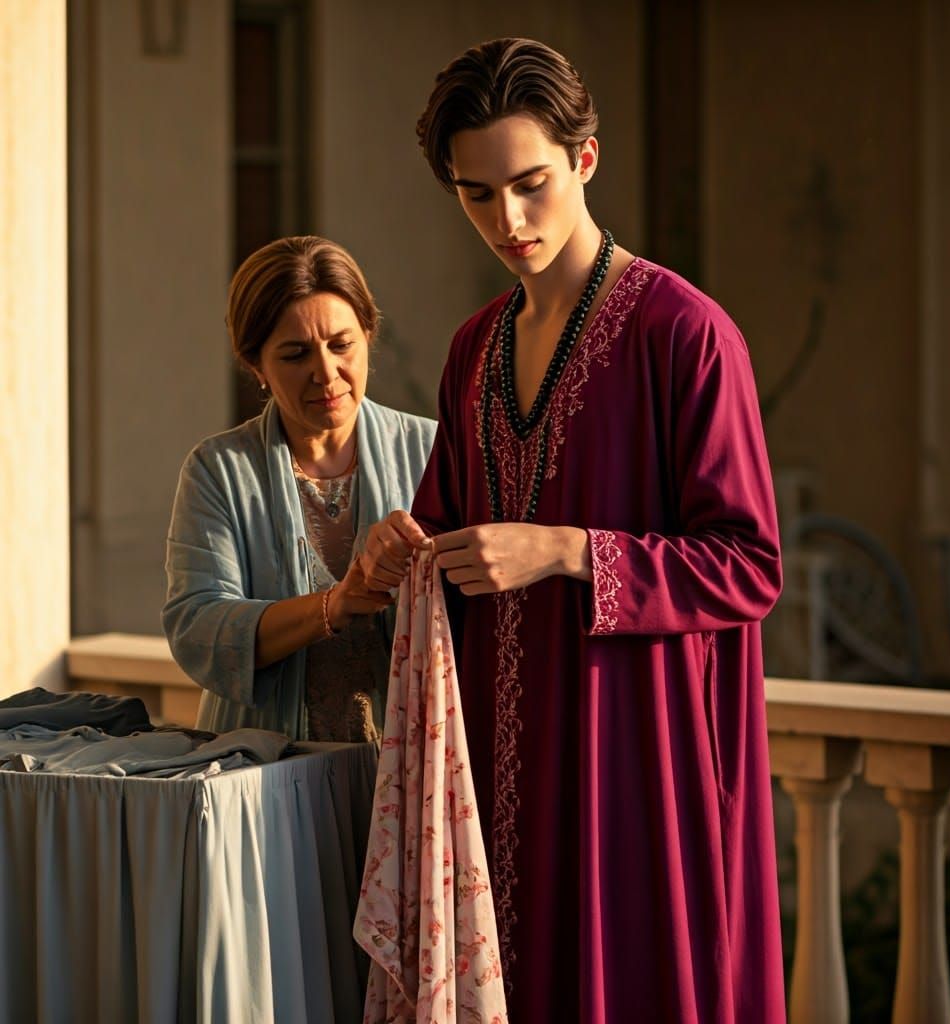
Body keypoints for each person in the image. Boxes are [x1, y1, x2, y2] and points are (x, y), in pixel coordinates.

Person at [361, 38, 786, 1022]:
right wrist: (401, 544)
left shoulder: (685, 335)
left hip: (630, 760)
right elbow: (449, 522)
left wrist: (563, 549)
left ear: (585, 161)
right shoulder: (474, 350)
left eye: (530, 184)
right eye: (476, 195)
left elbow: (750, 565)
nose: (507, 222)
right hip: (499, 768)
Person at [163, 236, 436, 741]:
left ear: (369, 336)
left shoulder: (431, 449)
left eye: (341, 345)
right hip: (262, 771)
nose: (326, 373)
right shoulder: (218, 470)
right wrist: (333, 605)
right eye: (295, 354)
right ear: (255, 366)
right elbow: (197, 627)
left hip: (405, 771)